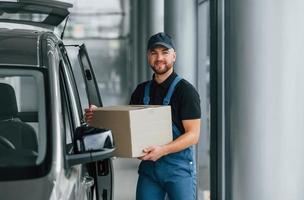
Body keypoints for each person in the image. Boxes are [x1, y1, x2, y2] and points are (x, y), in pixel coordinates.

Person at [85, 32, 201, 200]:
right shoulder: (141, 91)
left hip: (179, 171)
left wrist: (163, 150)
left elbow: (193, 135)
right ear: (148, 56)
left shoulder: (186, 92)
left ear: (174, 56)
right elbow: (126, 125)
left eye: (164, 52)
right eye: (154, 53)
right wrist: (98, 114)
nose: (159, 57)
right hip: (149, 171)